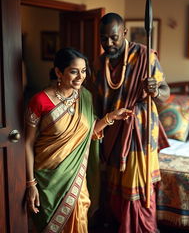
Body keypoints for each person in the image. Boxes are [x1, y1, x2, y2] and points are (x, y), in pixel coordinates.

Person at [25, 47, 133, 233]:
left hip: (75, 177)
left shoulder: (85, 97)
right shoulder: (40, 101)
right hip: (47, 178)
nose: (80, 77)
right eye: (74, 71)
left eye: (83, 71)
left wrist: (111, 117)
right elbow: (27, 143)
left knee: (80, 214)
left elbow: (89, 133)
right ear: (59, 72)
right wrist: (30, 184)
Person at [91, 13, 170, 233]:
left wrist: (155, 89)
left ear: (124, 33)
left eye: (114, 38)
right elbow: (97, 101)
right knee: (114, 181)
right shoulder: (99, 63)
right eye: (103, 38)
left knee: (137, 183)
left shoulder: (145, 56)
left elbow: (166, 92)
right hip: (112, 130)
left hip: (141, 131)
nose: (108, 43)